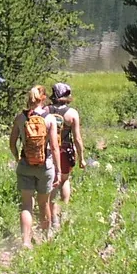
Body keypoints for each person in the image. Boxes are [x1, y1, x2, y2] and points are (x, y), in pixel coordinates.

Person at [10, 84, 61, 248]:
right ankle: (46, 238)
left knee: (26, 205)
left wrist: (18, 157)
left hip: (25, 163)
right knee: (43, 203)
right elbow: (54, 147)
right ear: (43, 98)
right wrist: (58, 171)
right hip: (45, 166)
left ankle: (25, 241)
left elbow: (12, 143)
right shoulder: (50, 118)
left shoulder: (20, 118)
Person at [49, 82, 85, 231]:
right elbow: (77, 138)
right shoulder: (72, 114)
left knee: (51, 183)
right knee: (64, 180)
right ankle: (64, 211)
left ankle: (53, 216)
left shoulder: (46, 110)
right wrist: (81, 157)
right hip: (65, 150)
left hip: (49, 150)